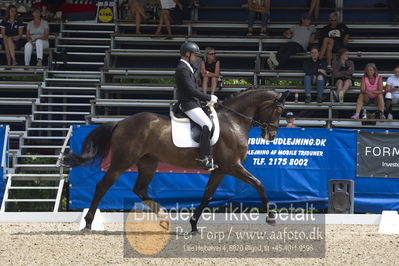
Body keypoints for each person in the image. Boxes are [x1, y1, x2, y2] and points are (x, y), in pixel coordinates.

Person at [175, 42, 218, 170]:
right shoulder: (182, 68)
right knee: (207, 124)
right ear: (187, 54)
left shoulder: (187, 67)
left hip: (193, 102)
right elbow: (191, 91)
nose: (196, 58)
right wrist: (208, 97)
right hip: (188, 104)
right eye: (194, 55)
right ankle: (203, 158)